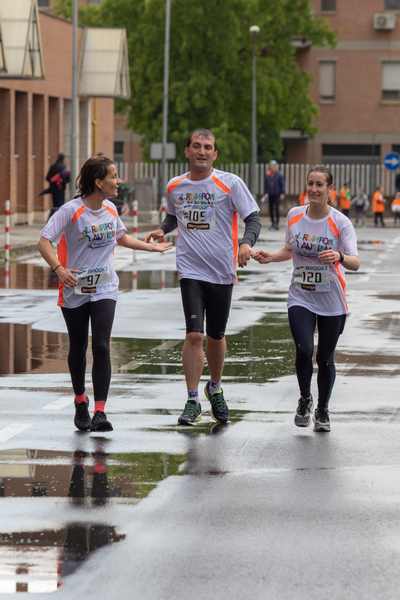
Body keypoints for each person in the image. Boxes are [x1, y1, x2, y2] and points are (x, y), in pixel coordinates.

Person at [38, 155, 171, 432]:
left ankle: (100, 411)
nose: (117, 181)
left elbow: (120, 237)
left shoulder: (110, 208)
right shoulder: (70, 211)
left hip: (105, 287)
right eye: (113, 176)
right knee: (78, 346)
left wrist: (151, 248)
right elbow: (44, 241)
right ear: (98, 182)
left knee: (101, 345)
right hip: (74, 287)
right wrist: (59, 269)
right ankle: (79, 401)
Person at [145, 128, 261, 426]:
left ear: (215, 153)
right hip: (190, 269)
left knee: (216, 336)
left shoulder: (230, 183)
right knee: (195, 334)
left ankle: (215, 387)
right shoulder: (175, 185)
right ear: (187, 150)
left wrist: (246, 244)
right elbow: (174, 215)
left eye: (207, 147)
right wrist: (163, 229)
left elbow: (253, 218)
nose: (202, 151)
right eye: (196, 146)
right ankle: (193, 398)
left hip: (222, 269)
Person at [253, 165, 360, 432]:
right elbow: (290, 249)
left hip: (332, 300)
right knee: (304, 349)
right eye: (310, 183)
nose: (313, 189)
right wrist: (271, 256)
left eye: (319, 184)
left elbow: (355, 262)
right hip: (300, 295)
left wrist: (340, 257)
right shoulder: (294, 215)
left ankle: (323, 409)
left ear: (329, 189)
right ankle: (305, 399)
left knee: (325, 357)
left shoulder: (340, 222)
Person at [39, 153, 71, 220]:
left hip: (53, 189)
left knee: (55, 205)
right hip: (61, 189)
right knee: (60, 205)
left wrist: (53, 182)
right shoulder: (63, 167)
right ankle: (53, 220)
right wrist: (61, 181)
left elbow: (47, 178)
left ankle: (51, 220)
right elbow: (68, 179)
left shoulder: (53, 166)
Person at [262, 160, 285, 230]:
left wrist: (282, 193)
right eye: (271, 166)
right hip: (270, 194)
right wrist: (265, 193)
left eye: (274, 166)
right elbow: (266, 185)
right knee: (271, 209)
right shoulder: (268, 175)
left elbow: (282, 184)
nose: (272, 167)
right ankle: (272, 223)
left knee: (276, 208)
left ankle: (277, 224)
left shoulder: (279, 175)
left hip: (277, 194)